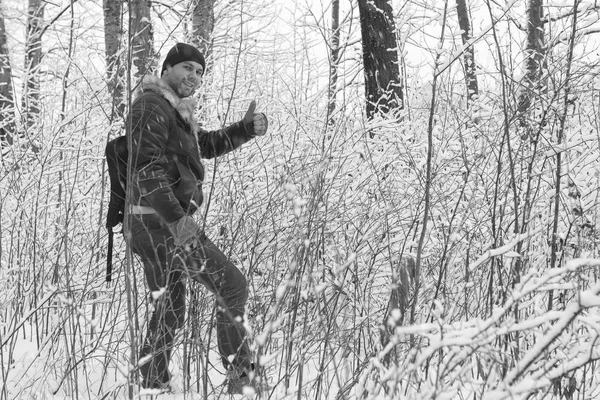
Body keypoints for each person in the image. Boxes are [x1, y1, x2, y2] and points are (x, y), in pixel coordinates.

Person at [126, 42, 268, 394]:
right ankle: (243, 381)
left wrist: (245, 129)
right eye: (187, 67)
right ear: (168, 70)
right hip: (161, 224)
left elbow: (202, 145)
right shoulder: (150, 106)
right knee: (232, 284)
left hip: (153, 222)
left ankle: (152, 383)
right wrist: (178, 221)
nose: (194, 76)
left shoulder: (174, 111)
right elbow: (145, 169)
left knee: (171, 309)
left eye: (200, 71)